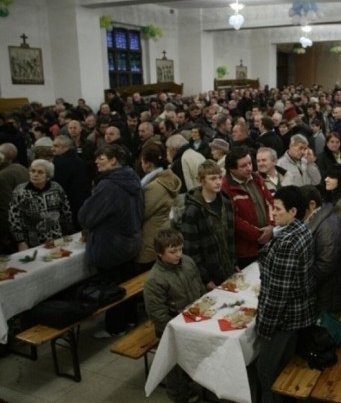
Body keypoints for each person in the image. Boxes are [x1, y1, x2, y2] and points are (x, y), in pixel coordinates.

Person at [255, 186, 316, 403]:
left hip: (284, 317)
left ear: (292, 211)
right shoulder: (302, 230)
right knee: (283, 365)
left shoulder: (288, 242)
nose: (273, 213)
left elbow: (278, 294)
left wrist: (265, 326)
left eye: (278, 209)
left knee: (265, 370)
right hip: (297, 312)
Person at [78, 145, 144, 338]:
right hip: (130, 240)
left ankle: (115, 327)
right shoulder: (132, 178)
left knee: (111, 289)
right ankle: (131, 319)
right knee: (128, 282)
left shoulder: (108, 185)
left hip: (111, 245)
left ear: (114, 160)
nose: (97, 161)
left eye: (101, 158)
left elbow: (86, 217)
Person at [143, 228, 205, 403]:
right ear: (159, 254)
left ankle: (194, 383)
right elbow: (157, 314)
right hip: (170, 328)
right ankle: (179, 395)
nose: (179, 254)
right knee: (176, 366)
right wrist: (176, 332)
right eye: (172, 251)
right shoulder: (155, 279)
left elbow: (199, 286)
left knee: (192, 358)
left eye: (180, 249)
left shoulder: (188, 262)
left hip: (193, 319)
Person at [182, 160, 236, 290]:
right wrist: (205, 279)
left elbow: (230, 236)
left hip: (228, 269)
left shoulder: (226, 201)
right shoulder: (192, 211)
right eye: (212, 178)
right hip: (209, 274)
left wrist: (234, 263)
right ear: (201, 181)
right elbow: (191, 250)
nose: (218, 182)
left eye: (219, 177)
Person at [222, 147, 274, 268]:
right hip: (246, 250)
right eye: (243, 166)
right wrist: (258, 234)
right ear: (232, 169)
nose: (249, 168)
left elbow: (270, 202)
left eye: (250, 163)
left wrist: (271, 226)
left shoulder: (257, 179)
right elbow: (234, 219)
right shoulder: (226, 188)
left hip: (268, 241)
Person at [300, 185, 341, 313]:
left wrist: (300, 277)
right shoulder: (317, 219)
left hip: (328, 292)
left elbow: (325, 266)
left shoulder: (328, 227)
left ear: (312, 205)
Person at [9, 159, 73, 250]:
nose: (35, 174)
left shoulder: (56, 188)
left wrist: (67, 232)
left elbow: (66, 210)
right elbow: (14, 218)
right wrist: (20, 241)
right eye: (33, 171)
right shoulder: (20, 191)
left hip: (55, 236)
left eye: (40, 172)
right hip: (31, 240)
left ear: (48, 176)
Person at [137, 143, 181, 268]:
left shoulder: (154, 187)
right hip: (161, 230)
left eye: (142, 162)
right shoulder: (166, 179)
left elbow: (142, 212)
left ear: (148, 163)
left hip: (151, 239)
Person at [51, 135, 91, 231]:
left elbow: (58, 186)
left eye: (56, 146)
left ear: (66, 147)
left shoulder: (59, 163)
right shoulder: (79, 160)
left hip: (68, 203)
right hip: (82, 202)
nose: (53, 149)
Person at [0, 144, 30, 253]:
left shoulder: (2, 176)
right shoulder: (20, 167)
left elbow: (6, 207)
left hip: (15, 229)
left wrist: (6, 234)